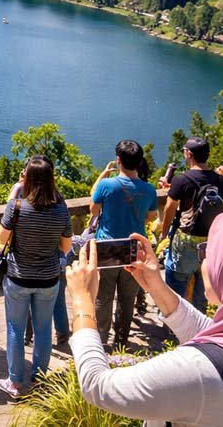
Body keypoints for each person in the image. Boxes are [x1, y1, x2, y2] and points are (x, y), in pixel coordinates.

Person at [65, 214, 223, 426]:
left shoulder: (197, 375)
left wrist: (82, 301)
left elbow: (98, 387)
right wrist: (156, 287)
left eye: (209, 252)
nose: (204, 259)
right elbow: (213, 341)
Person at [0, 155, 73, 398]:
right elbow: (65, 246)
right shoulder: (61, 210)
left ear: (26, 177)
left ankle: (15, 383)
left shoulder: (16, 207)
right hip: (49, 279)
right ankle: (39, 379)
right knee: (42, 329)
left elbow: (1, 241)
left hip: (19, 277)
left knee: (15, 329)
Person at [89, 140, 158, 348]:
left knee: (104, 297)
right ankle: (121, 341)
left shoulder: (106, 185)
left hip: (108, 246)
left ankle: (101, 340)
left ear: (118, 160)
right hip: (133, 248)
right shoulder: (148, 189)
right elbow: (152, 216)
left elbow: (93, 210)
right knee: (127, 298)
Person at [157, 137, 223, 312]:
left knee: (176, 284)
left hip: (185, 241)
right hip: (210, 242)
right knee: (203, 288)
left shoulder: (182, 180)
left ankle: (172, 328)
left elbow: (169, 208)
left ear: (188, 154)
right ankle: (199, 326)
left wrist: (165, 233)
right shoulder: (221, 181)